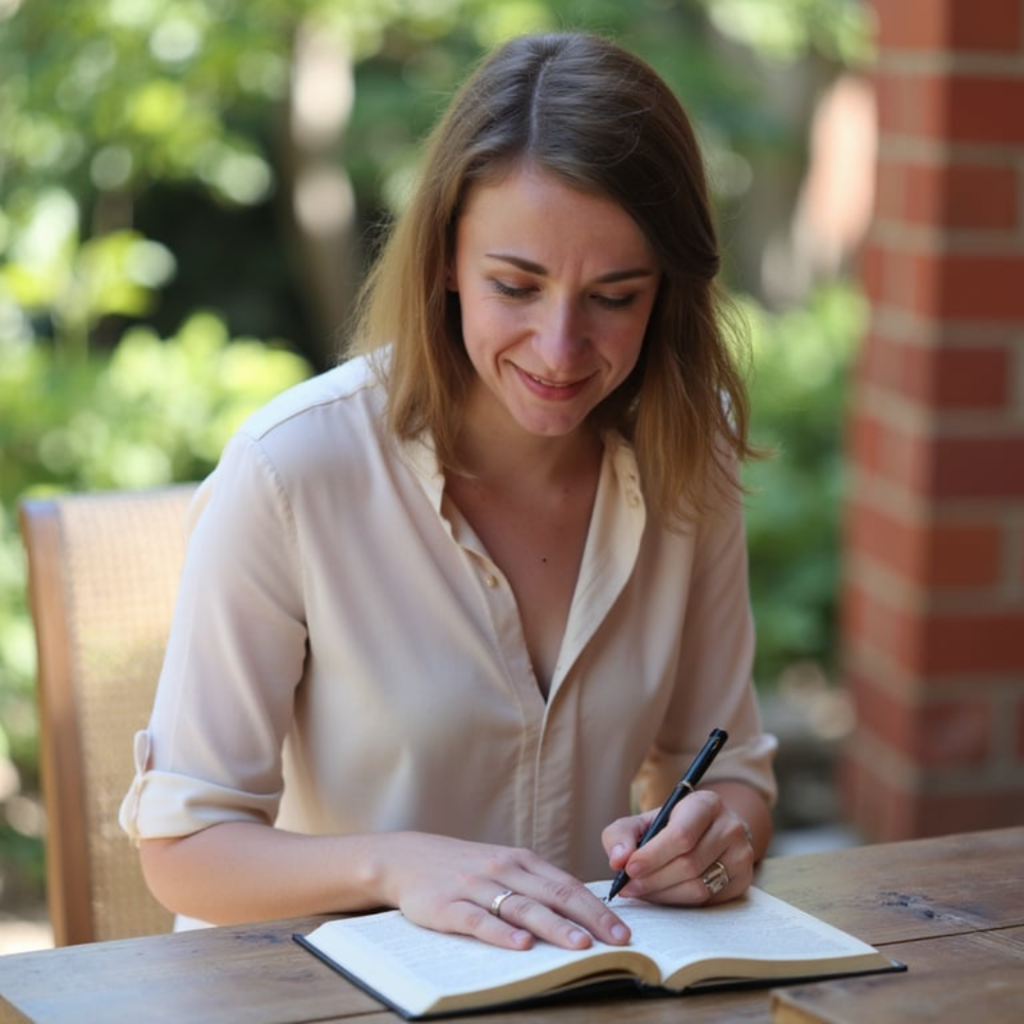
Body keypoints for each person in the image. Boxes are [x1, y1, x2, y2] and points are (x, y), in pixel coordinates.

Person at [120, 30, 777, 953]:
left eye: (616, 296)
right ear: (445, 263)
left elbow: (729, 770)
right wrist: (398, 866)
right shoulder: (291, 469)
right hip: (322, 1001)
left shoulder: (687, 452)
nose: (559, 349)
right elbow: (184, 849)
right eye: (516, 285)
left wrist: (711, 841)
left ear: (667, 290)